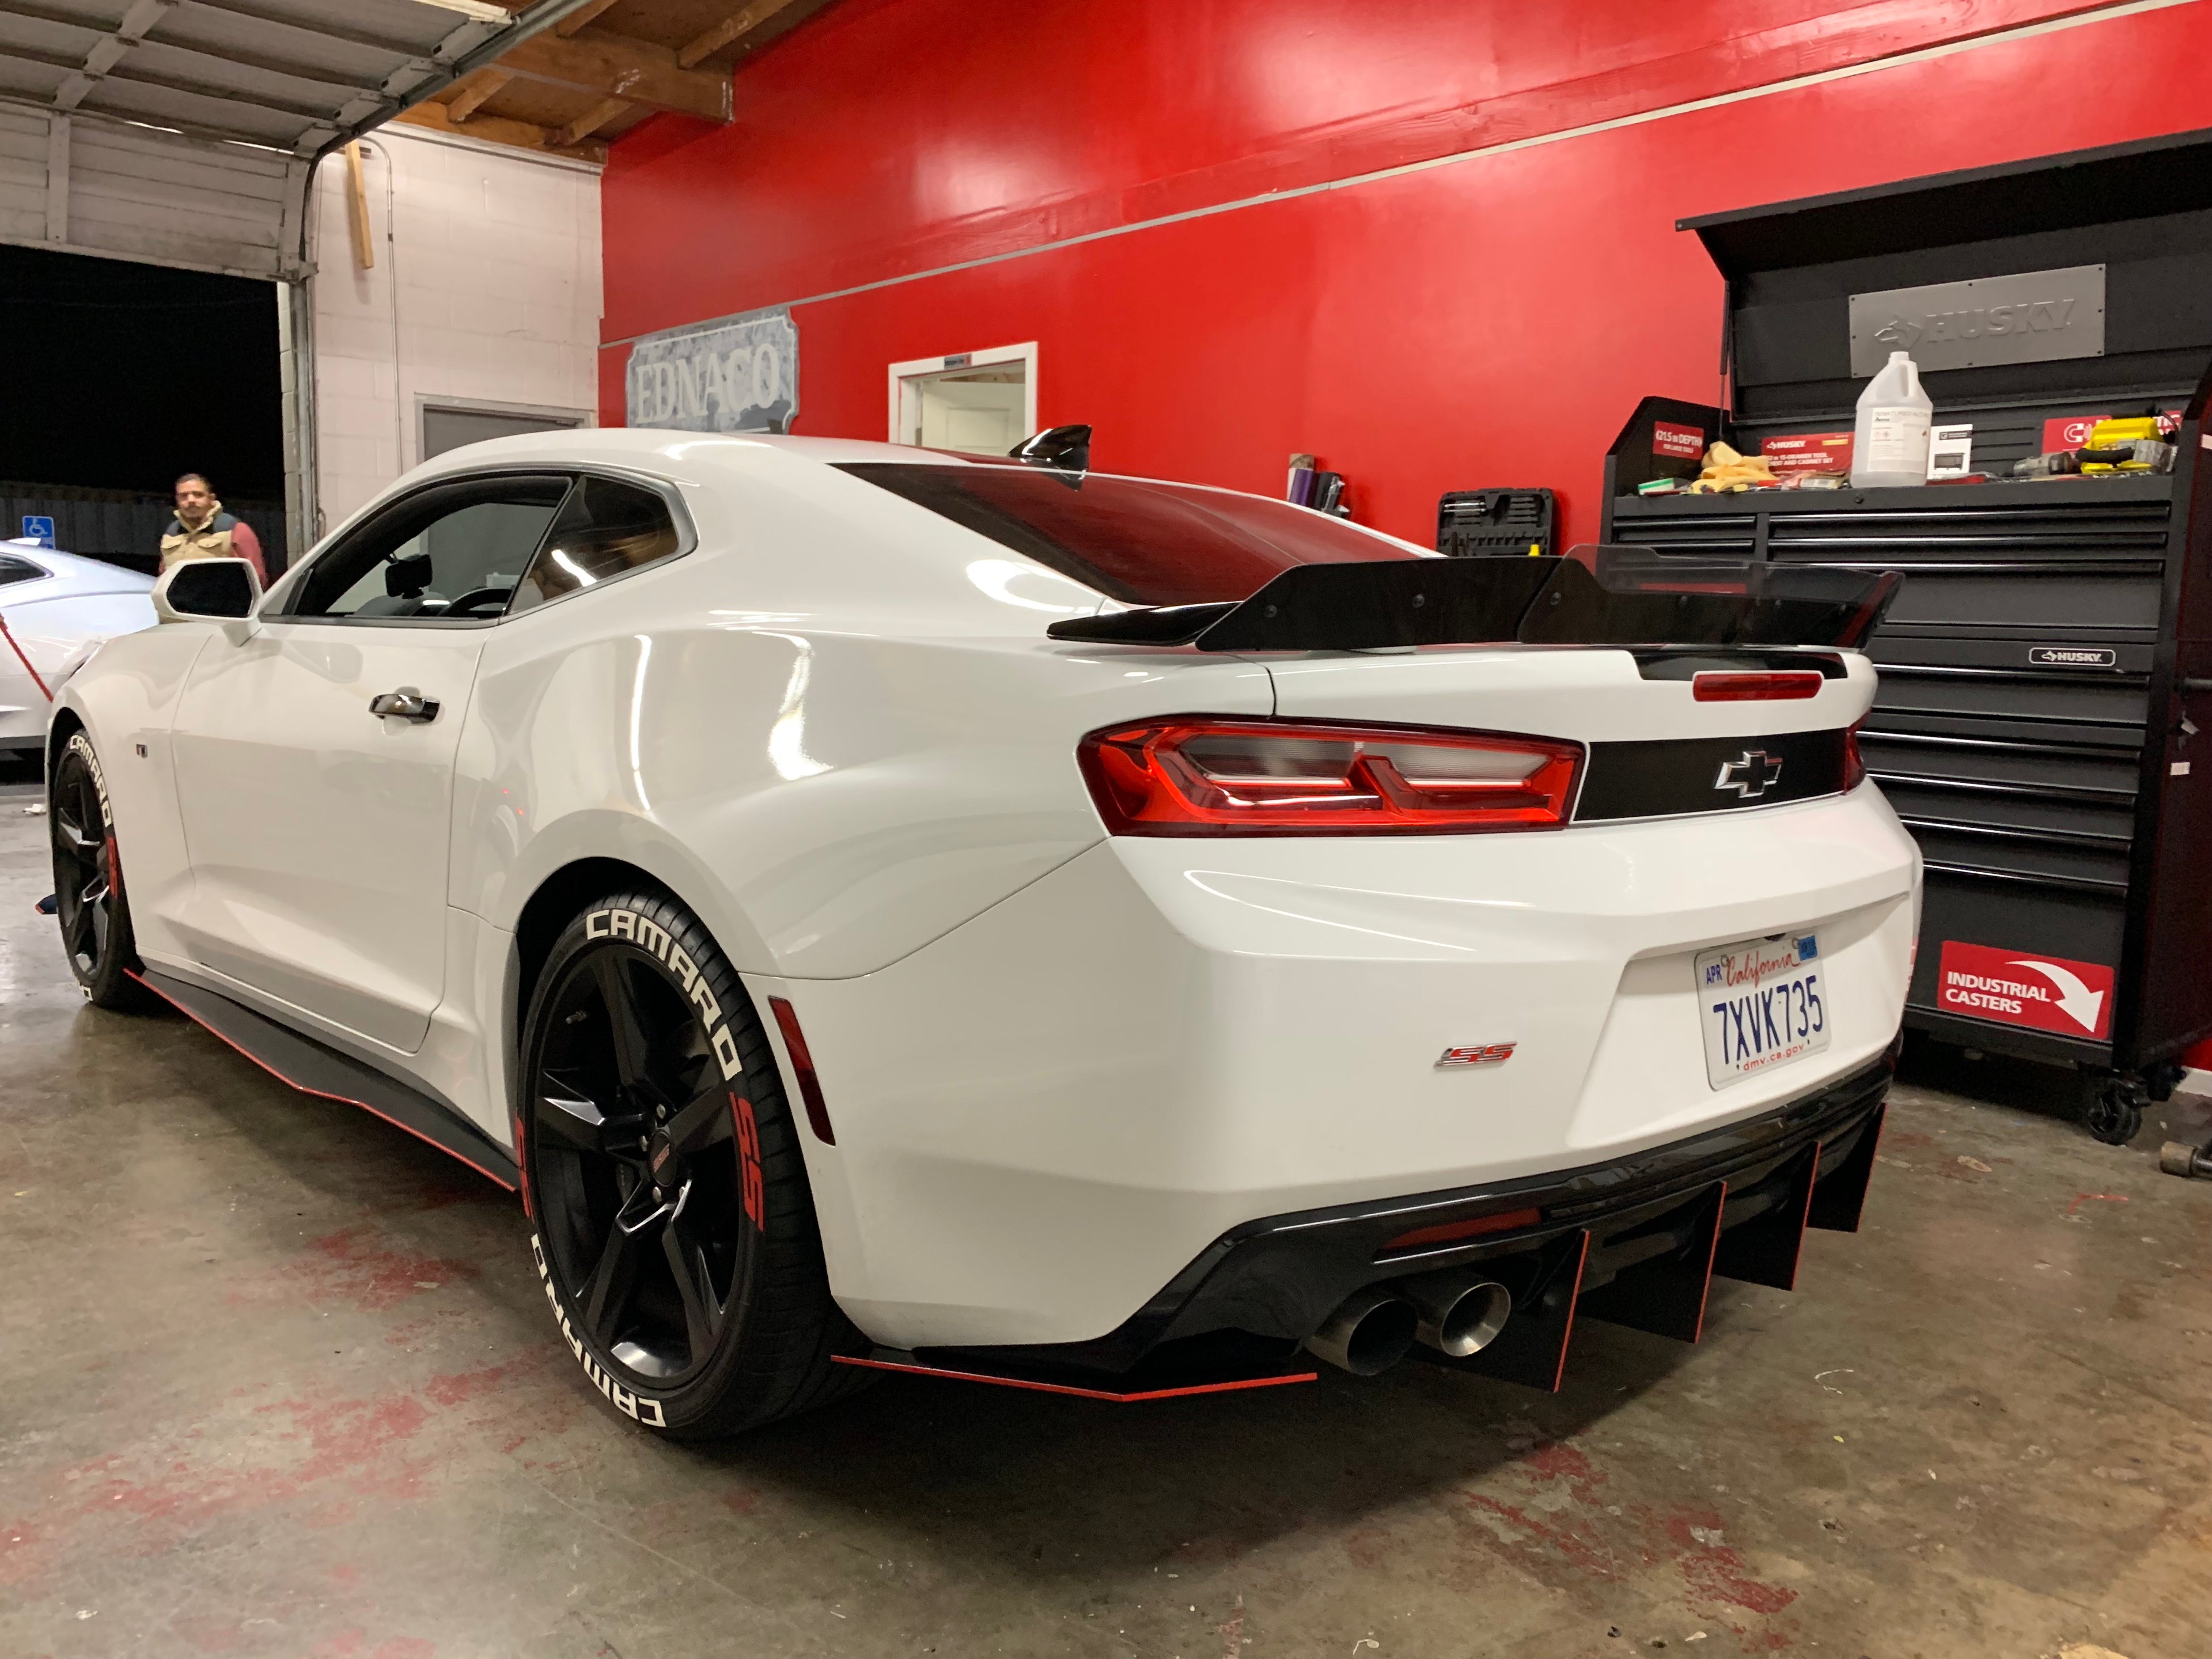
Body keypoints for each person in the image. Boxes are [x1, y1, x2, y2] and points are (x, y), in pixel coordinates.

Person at [161, 473, 266, 583]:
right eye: (184, 496)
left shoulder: (234, 530)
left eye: (198, 495)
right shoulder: (171, 535)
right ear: (177, 500)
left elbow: (256, 578)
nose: (191, 500)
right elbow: (163, 578)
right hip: (178, 600)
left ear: (211, 499)